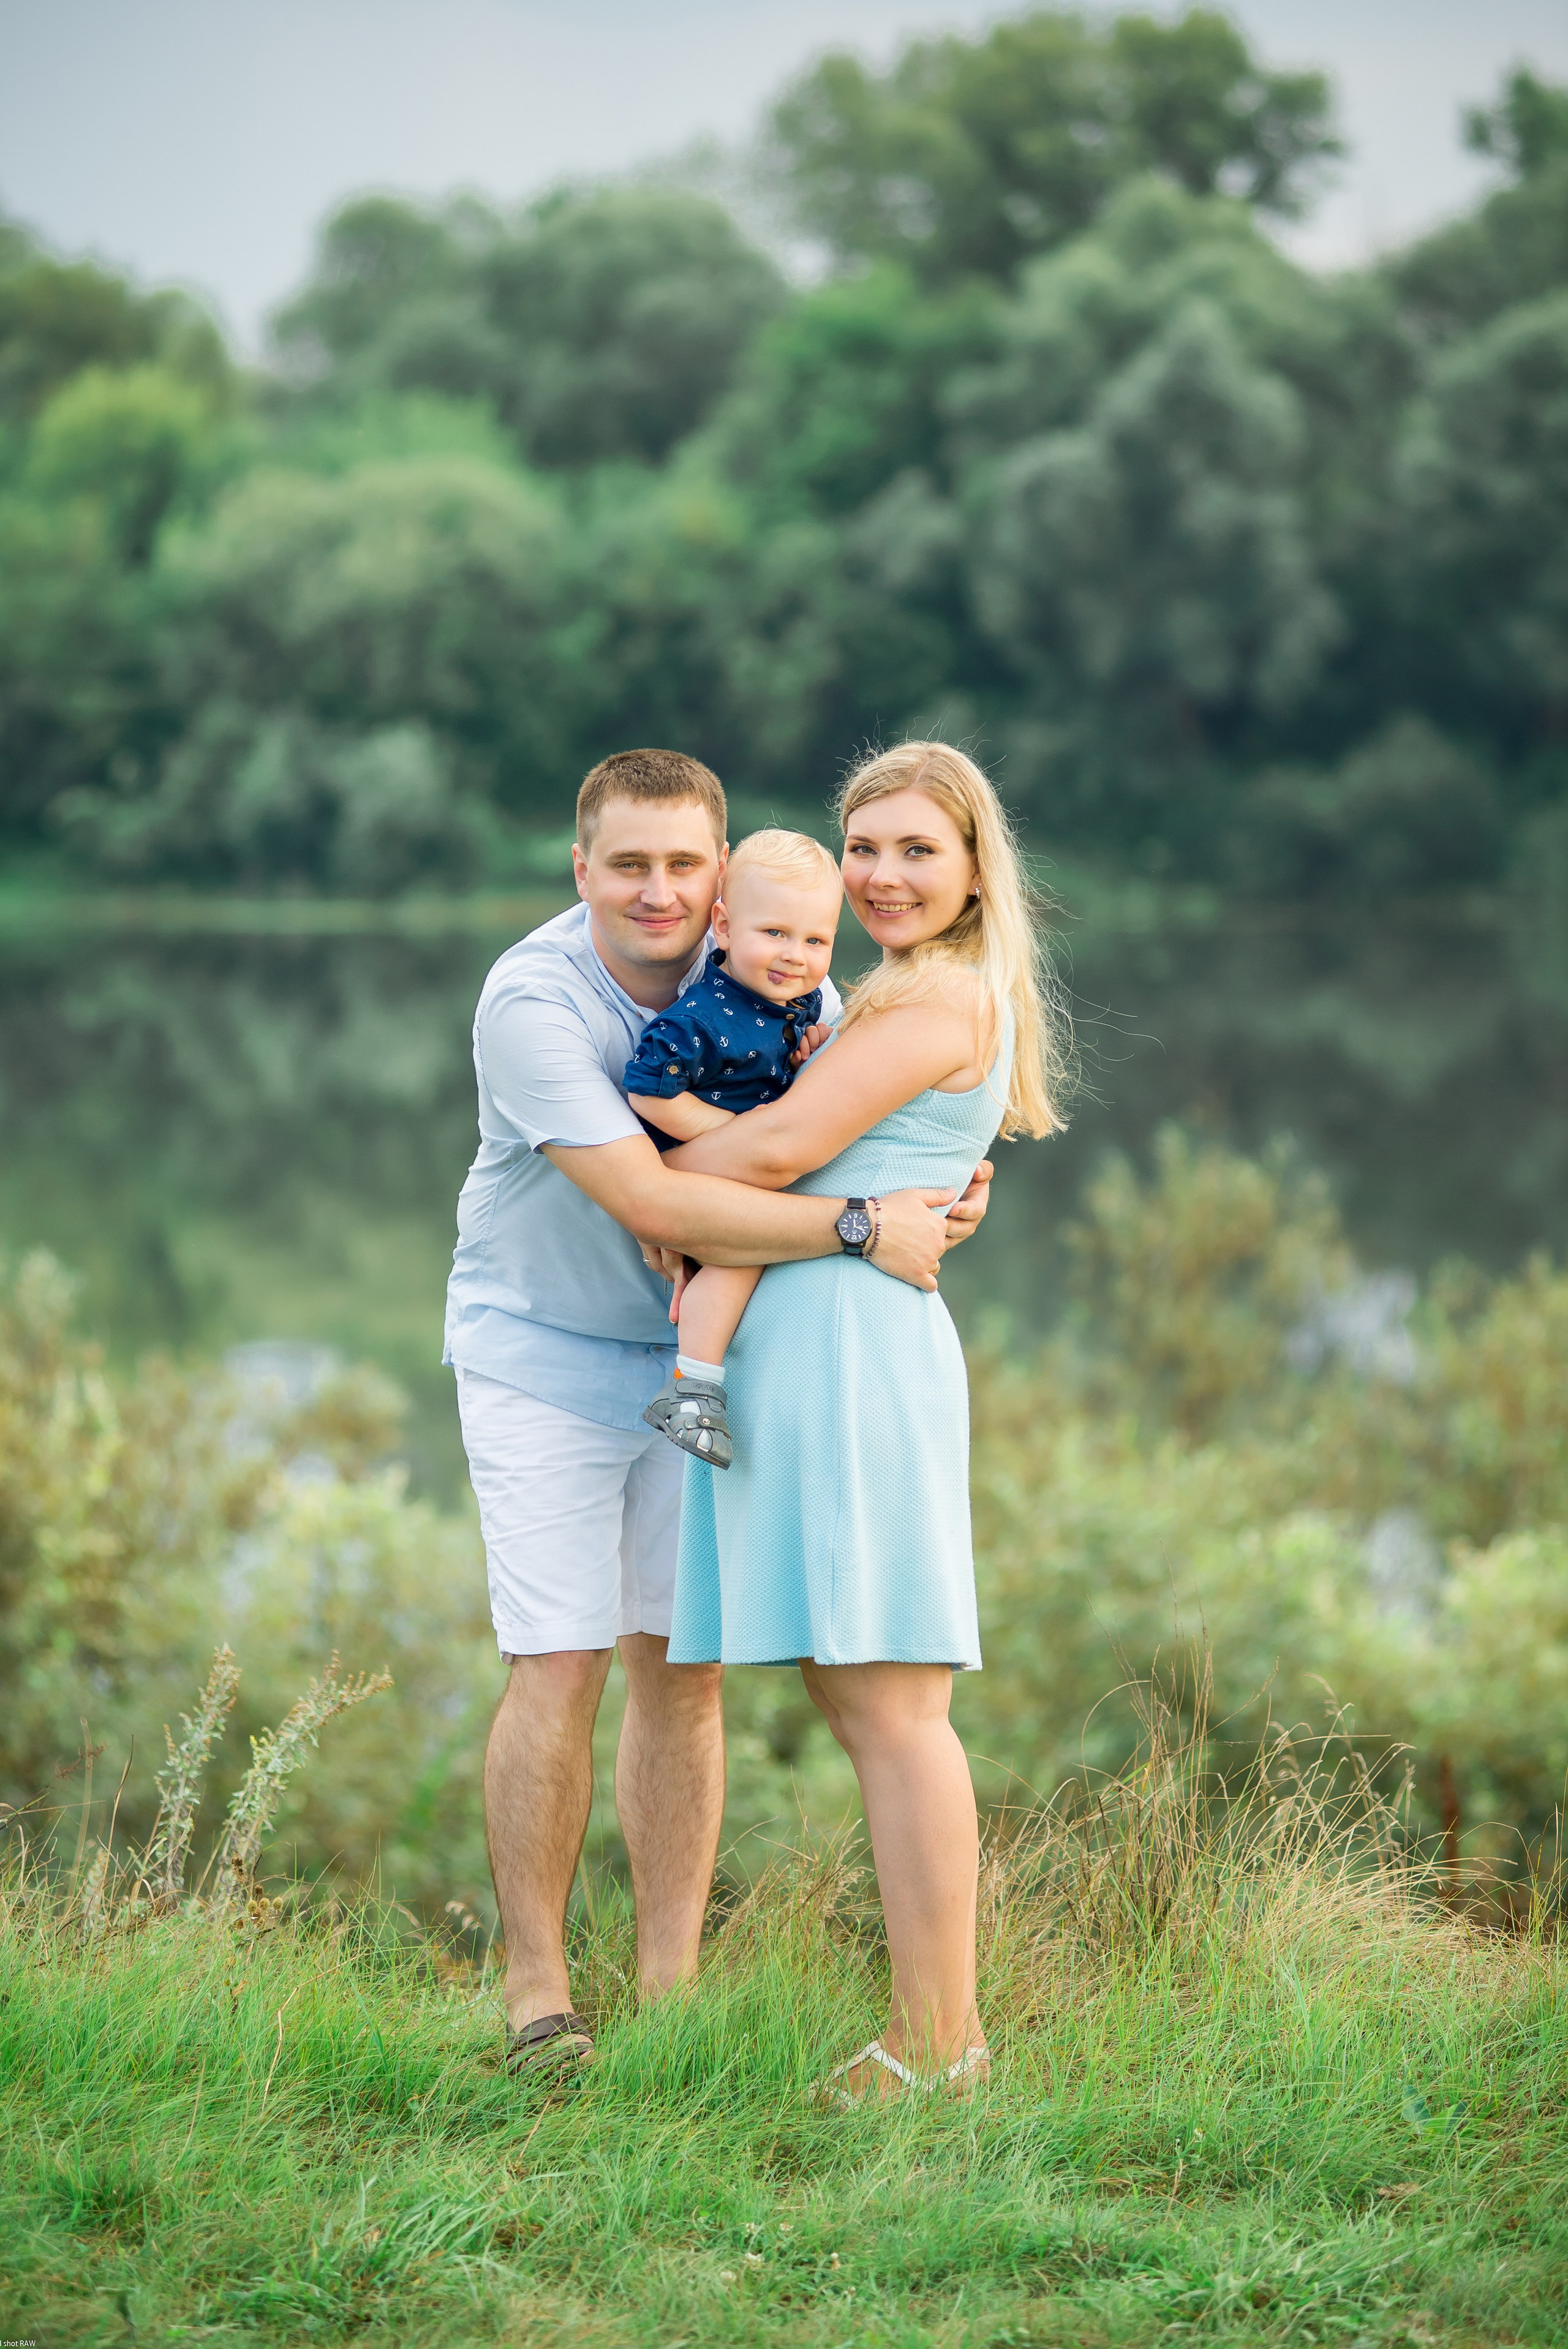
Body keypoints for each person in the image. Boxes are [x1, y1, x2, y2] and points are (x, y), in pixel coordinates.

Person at [442, 747, 994, 2078]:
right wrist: (868, 1224)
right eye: (626, 865)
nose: (656, 892)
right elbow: (657, 1200)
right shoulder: (534, 1000)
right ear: (581, 870)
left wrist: (932, 1190)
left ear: (721, 873)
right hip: (541, 1355)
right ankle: (537, 2003)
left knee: (681, 1675)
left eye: (682, 865)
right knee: (558, 1657)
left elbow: (859, 1115)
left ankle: (671, 1997)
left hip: (704, 1358)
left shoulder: (767, 957)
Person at [662, 741, 1066, 2102]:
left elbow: (772, 1151)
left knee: (894, 1707)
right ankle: (934, 2039)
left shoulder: (929, 1004)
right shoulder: (874, 995)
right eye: (866, 846)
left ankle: (942, 2045)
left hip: (850, 1349)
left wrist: (644, 1167)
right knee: (865, 1700)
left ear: (970, 868)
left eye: (917, 850)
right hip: (825, 1334)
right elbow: (830, 1150)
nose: (885, 874)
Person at [625, 827, 845, 1469]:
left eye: (815, 940)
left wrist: (824, 1048)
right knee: (738, 1260)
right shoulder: (699, 1018)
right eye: (774, 933)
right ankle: (691, 1389)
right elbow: (649, 1092)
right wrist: (734, 1143)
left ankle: (730, 1379)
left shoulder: (795, 1000)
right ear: (722, 925)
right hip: (701, 1175)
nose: (795, 956)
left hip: (753, 1166)